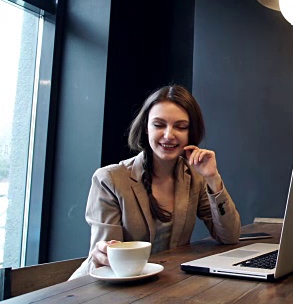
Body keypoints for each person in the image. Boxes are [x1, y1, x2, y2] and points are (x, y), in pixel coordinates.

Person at [70, 85, 241, 279]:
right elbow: (106, 261)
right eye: (159, 125)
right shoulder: (109, 179)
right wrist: (105, 250)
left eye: (180, 126)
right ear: (146, 128)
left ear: (190, 132)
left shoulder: (195, 178)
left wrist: (213, 178)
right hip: (99, 288)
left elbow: (229, 236)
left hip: (163, 284)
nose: (169, 135)